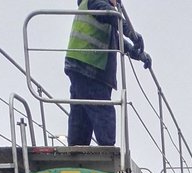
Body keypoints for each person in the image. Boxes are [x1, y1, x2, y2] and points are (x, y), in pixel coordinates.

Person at [64, 0, 151, 148]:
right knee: (102, 109)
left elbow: (116, 39)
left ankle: (76, 148)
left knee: (82, 110)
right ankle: (108, 150)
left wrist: (138, 55)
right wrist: (131, 32)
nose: (117, 3)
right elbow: (112, 16)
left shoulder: (91, 6)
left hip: (80, 65)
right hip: (91, 67)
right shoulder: (97, 2)